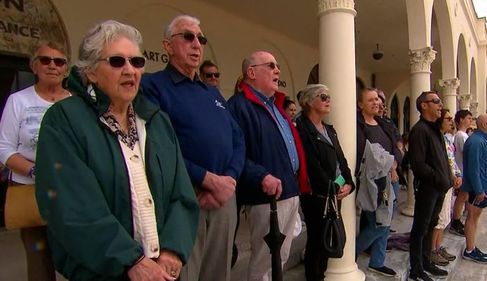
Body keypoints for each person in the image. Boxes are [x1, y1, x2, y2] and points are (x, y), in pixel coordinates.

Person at [34, 20, 200, 281]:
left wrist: (172, 250)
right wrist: (131, 260)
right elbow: (72, 206)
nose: (129, 70)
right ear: (90, 72)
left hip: (161, 271)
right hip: (104, 272)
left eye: (136, 62)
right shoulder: (64, 120)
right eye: (116, 62)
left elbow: (182, 193)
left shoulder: (157, 121)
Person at [141, 15, 245, 281]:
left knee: (217, 273)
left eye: (201, 38)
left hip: (224, 197)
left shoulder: (211, 92)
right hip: (184, 196)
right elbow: (156, 146)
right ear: (167, 46)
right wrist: (206, 178)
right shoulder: (152, 86)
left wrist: (228, 180)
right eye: (188, 37)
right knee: (185, 273)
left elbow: (237, 139)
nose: (197, 44)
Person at [227, 50, 309, 281]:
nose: (278, 70)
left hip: (289, 190)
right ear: (251, 72)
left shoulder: (276, 106)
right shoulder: (238, 106)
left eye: (277, 65)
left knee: (279, 260)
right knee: (265, 264)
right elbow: (233, 155)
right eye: (271, 65)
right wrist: (260, 176)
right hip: (266, 196)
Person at [0, 41, 71, 281]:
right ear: (34, 66)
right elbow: (4, 149)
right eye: (45, 60)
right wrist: (35, 171)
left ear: (66, 69)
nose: (52, 66)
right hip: (30, 190)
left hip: (69, 189)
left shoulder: (76, 103)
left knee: (76, 250)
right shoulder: (18, 101)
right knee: (38, 256)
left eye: (59, 61)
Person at [295, 84, 354, 281]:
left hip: (334, 193)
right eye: (323, 96)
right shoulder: (302, 128)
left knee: (328, 239)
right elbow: (312, 165)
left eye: (329, 96)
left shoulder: (329, 129)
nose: (328, 100)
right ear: (309, 102)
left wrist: (347, 182)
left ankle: (321, 276)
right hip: (316, 195)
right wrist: (334, 185)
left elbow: (341, 160)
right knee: (316, 241)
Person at [408, 91, 453, 281]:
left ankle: (426, 263)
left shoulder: (434, 129)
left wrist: (447, 178)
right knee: (420, 228)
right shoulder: (419, 130)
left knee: (431, 225)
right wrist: (439, 178)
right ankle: (416, 270)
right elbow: (418, 165)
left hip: (439, 187)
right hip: (428, 188)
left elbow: (442, 158)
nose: (440, 105)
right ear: (424, 105)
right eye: (436, 101)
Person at [355, 88, 397, 277]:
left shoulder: (383, 124)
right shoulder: (357, 125)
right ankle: (350, 254)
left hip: (389, 179)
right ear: (360, 104)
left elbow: (396, 147)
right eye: (371, 100)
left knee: (386, 223)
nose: (376, 103)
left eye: (377, 100)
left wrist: (394, 166)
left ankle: (377, 261)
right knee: (378, 223)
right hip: (371, 182)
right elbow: (366, 154)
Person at [461, 114, 487, 263]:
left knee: (475, 218)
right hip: (479, 189)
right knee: (471, 218)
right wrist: (479, 190)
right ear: (483, 124)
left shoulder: (482, 140)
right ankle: (469, 250)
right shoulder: (476, 141)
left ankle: (472, 247)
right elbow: (473, 169)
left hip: (484, 187)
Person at [430, 109, 462, 267]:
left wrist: (458, 174)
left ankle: (438, 246)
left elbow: (452, 161)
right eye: (448, 118)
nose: (451, 121)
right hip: (441, 183)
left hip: (449, 183)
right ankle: (432, 250)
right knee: (439, 219)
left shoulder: (447, 139)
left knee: (444, 218)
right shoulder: (436, 139)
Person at [450, 109, 473, 236]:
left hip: (465, 170)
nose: (470, 121)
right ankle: (456, 220)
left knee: (464, 197)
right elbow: (467, 153)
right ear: (461, 120)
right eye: (468, 118)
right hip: (462, 170)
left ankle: (458, 218)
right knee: (461, 197)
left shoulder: (464, 135)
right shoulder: (460, 135)